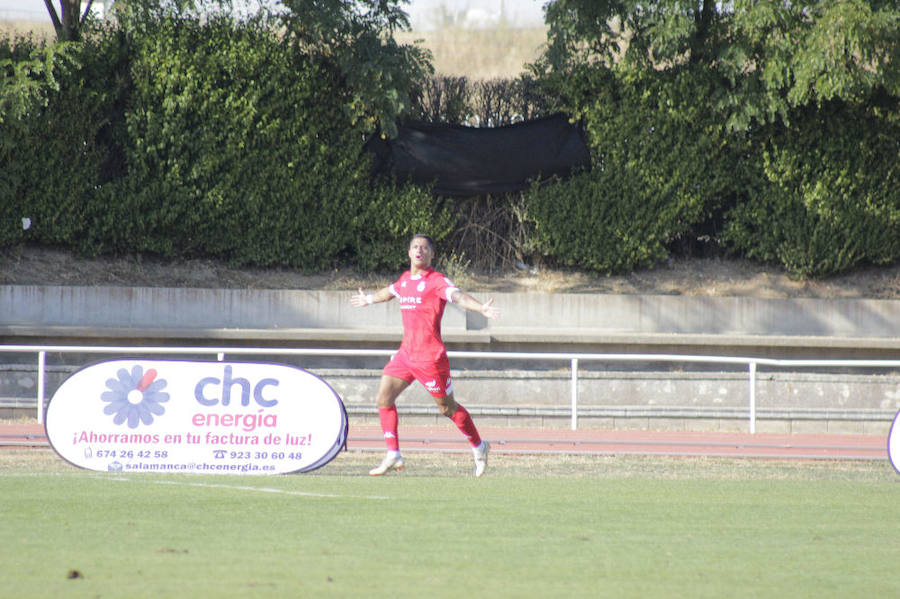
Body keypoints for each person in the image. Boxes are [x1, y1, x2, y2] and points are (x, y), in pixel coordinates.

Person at [350, 234, 499, 477]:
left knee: (447, 409)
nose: (419, 250)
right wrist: (368, 299)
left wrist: (480, 307)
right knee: (383, 398)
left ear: (431, 255)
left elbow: (458, 296)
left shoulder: (437, 281)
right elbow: (389, 292)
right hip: (406, 355)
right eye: (415, 247)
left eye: (425, 248)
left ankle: (479, 446)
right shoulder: (405, 280)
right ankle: (393, 453)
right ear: (409, 253)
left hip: (430, 358)